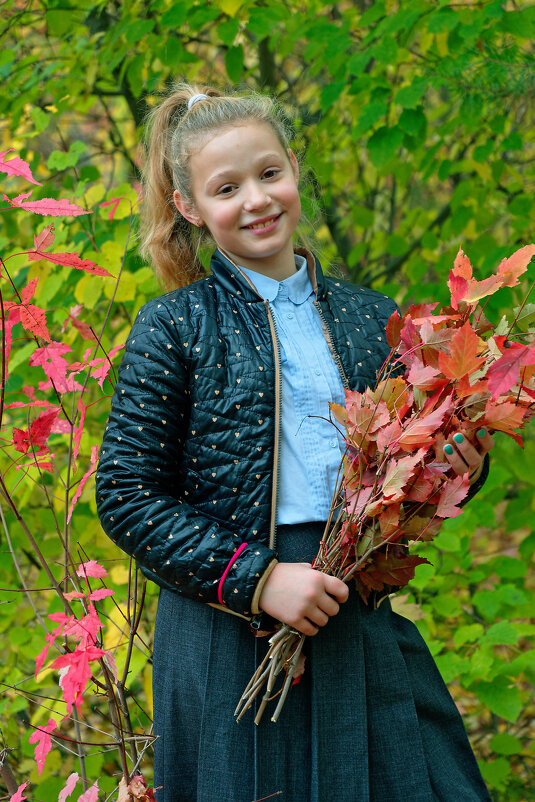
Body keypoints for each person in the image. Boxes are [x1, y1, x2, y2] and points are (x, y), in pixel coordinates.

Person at [96, 84, 494, 802]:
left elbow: (409, 464)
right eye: (226, 187)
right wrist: (257, 578)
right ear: (190, 207)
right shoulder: (174, 327)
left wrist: (461, 467)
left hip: (350, 600)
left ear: (292, 172)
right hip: (227, 625)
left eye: (268, 173)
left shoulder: (373, 317)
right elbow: (126, 495)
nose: (255, 199)